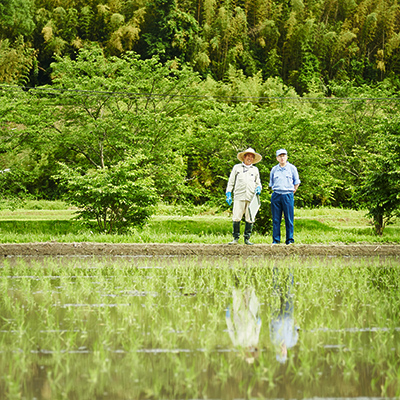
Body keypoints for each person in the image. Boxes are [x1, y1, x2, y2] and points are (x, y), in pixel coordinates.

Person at [226, 148, 262, 245]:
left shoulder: (255, 170)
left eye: (252, 157)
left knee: (249, 218)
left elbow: (258, 183)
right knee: (237, 217)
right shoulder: (237, 168)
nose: (249, 158)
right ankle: (235, 238)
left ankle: (247, 238)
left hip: (251, 197)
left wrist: (258, 188)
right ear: (244, 157)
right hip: (239, 195)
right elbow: (231, 181)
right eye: (248, 156)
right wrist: (228, 193)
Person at [269, 149, 300, 245]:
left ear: (287, 157)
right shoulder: (274, 169)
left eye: (284, 156)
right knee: (276, 219)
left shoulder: (292, 168)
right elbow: (271, 183)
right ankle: (276, 240)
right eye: (280, 156)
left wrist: (292, 191)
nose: (282, 158)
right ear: (277, 158)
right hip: (276, 195)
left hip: (288, 195)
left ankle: (289, 240)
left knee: (289, 218)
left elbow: (297, 182)